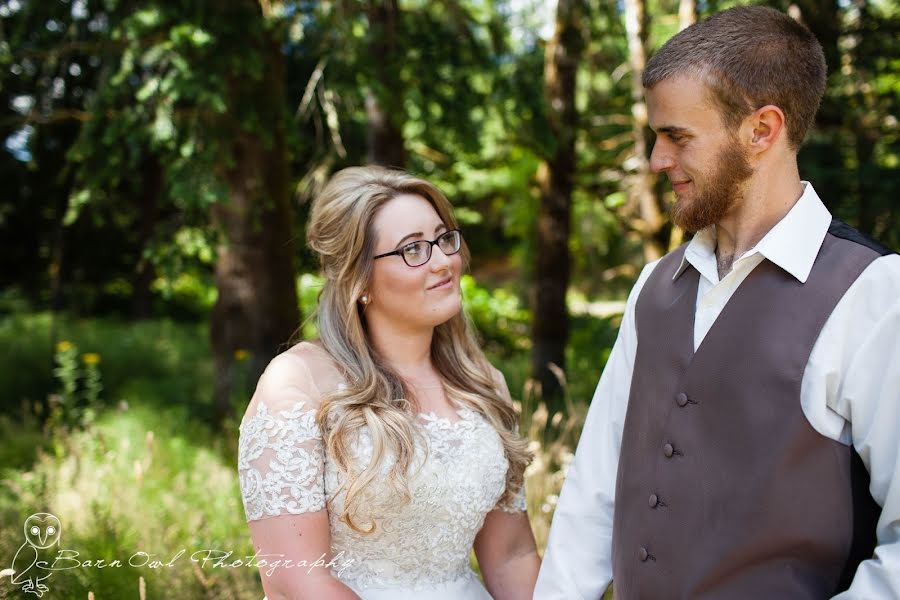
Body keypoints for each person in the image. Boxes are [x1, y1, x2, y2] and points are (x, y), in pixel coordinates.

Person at [535, 6, 900, 599]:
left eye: (678, 137)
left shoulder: (874, 294)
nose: (656, 161)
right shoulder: (654, 287)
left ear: (762, 130)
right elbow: (593, 490)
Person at [237, 166, 540, 600]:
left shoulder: (484, 384)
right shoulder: (298, 382)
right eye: (413, 249)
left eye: (443, 238)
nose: (442, 261)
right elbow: (295, 579)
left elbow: (511, 556)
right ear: (359, 280)